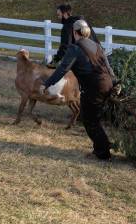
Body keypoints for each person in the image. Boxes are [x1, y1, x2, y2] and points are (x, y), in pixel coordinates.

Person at [42, 19, 115, 160]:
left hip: (93, 86)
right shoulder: (96, 45)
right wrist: (114, 82)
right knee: (95, 118)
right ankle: (101, 147)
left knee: (89, 119)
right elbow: (108, 66)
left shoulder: (75, 48)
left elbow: (63, 68)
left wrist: (48, 83)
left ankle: (103, 153)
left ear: (75, 32)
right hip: (107, 83)